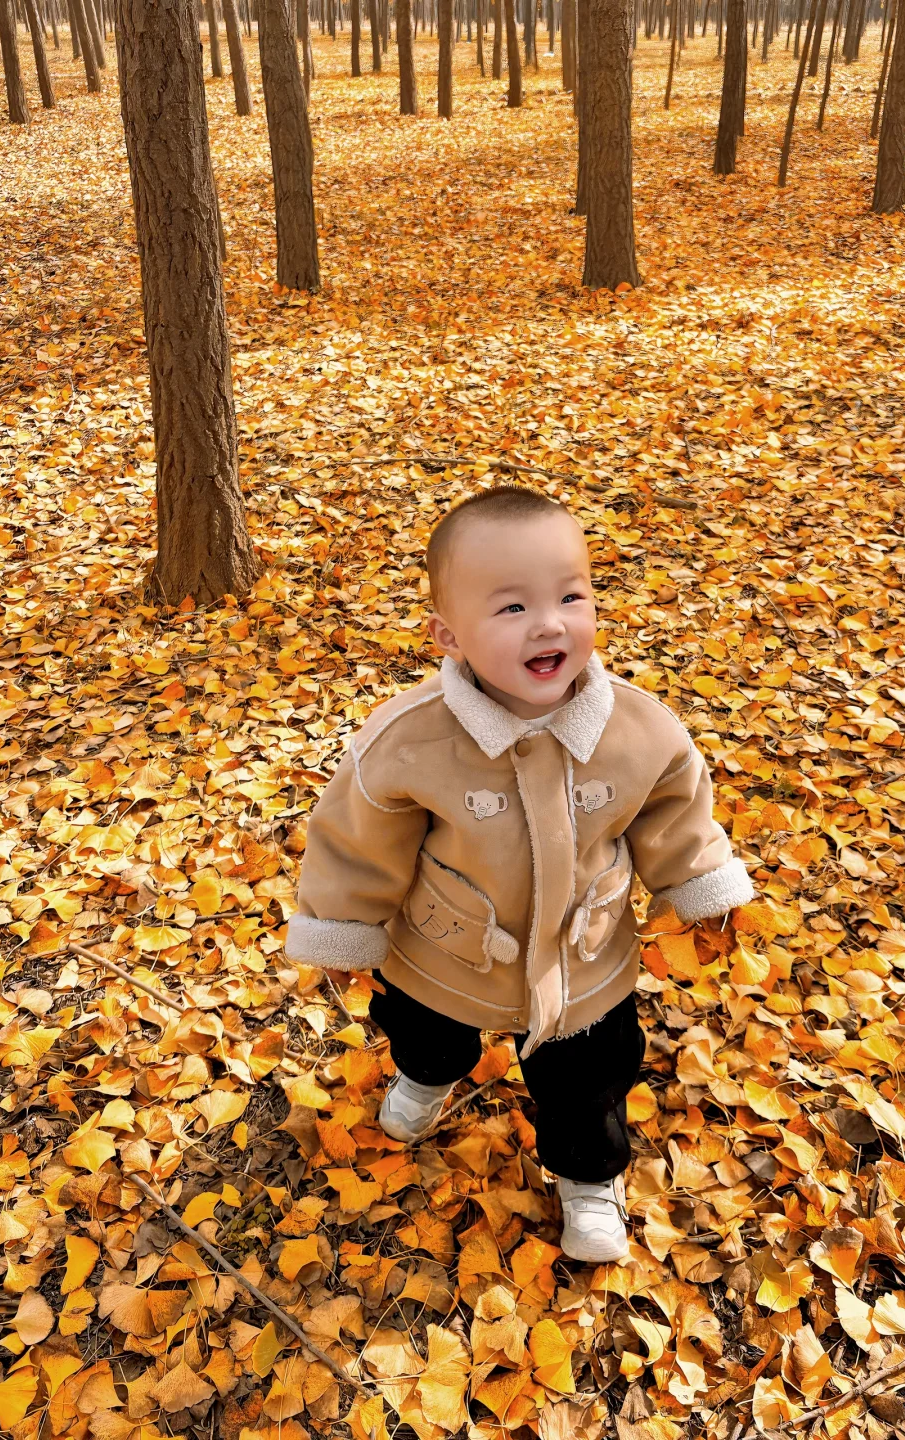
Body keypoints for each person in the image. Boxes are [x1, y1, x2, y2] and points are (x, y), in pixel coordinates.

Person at [286, 486, 754, 1262]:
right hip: (446, 950)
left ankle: (588, 1179)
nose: (549, 622)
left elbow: (677, 812)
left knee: (589, 1079)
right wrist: (343, 931)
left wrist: (699, 886)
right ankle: (424, 1079)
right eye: (510, 609)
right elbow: (357, 838)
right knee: (427, 1032)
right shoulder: (411, 742)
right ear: (449, 635)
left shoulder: (636, 727)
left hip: (585, 958)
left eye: (571, 596)